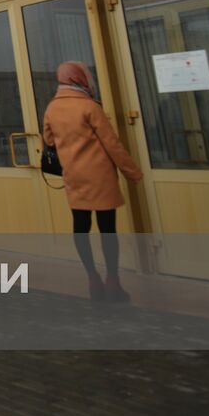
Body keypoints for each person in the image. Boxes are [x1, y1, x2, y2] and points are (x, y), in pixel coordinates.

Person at [41, 61, 144, 303]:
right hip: (100, 176)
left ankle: (92, 277)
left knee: (81, 225)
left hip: (73, 175)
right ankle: (113, 280)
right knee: (107, 228)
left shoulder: (52, 108)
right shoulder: (89, 107)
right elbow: (113, 145)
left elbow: (49, 139)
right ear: (81, 79)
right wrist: (132, 172)